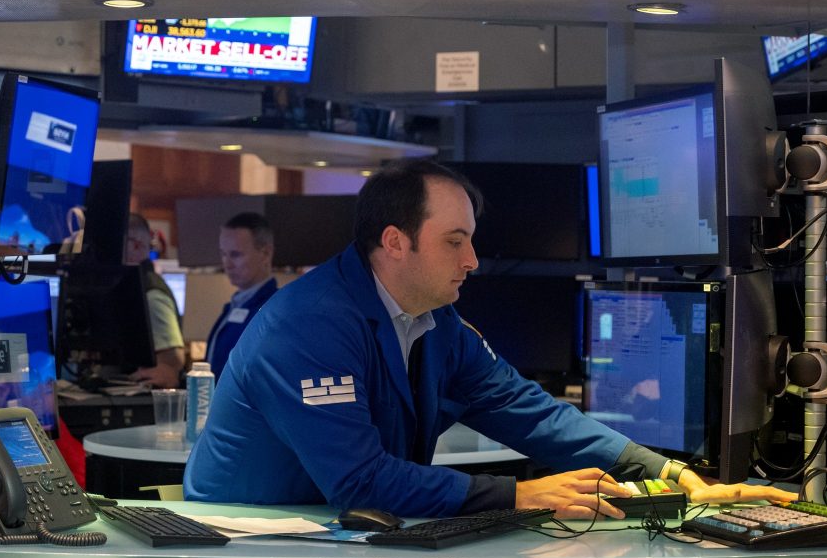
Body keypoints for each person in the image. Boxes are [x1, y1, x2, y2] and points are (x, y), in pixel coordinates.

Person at [184, 159, 796, 519]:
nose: (474, 260)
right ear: (395, 242)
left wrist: (663, 471)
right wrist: (522, 494)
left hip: (338, 535)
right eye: (455, 241)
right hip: (242, 544)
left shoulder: (434, 321)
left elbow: (527, 411)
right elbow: (359, 481)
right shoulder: (308, 326)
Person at [205, 212, 279, 380]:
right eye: (224, 254)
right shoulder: (235, 305)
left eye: (236, 254)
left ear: (266, 253)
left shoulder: (273, 310)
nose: (227, 264)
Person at [124, 213, 186, 389]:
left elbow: (173, 359)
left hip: (147, 400)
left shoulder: (152, 294)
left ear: (136, 245)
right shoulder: (135, 288)